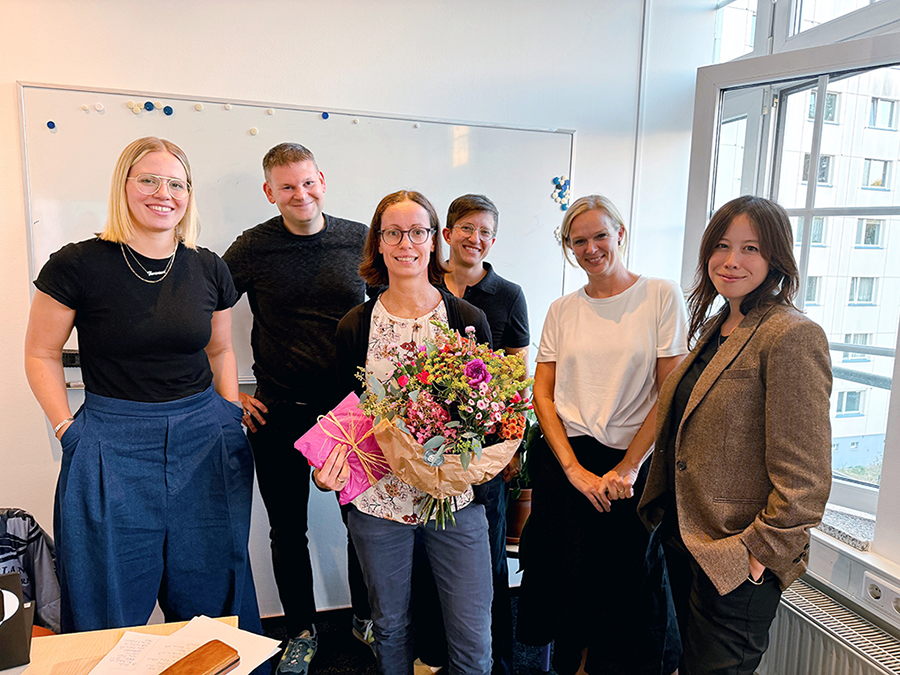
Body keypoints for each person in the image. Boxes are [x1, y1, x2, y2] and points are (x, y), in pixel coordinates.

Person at [23, 136, 263, 638]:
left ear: (188, 193)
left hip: (205, 439)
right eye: (149, 179)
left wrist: (224, 417)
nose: (164, 192)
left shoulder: (208, 266)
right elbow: (41, 353)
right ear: (124, 186)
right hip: (112, 440)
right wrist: (68, 428)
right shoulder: (77, 264)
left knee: (214, 595)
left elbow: (219, 350)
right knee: (106, 597)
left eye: (177, 183)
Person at [638, 196, 832, 674]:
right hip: (686, 541)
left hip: (736, 557)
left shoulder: (791, 335)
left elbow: (805, 478)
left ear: (776, 258)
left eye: (750, 248)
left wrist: (757, 553)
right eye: (722, 246)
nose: (731, 261)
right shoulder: (717, 326)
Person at [323, 190, 494, 675]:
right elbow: (344, 418)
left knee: (472, 636)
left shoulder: (466, 321)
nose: (406, 243)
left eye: (417, 232)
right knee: (391, 626)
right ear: (378, 243)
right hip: (379, 503)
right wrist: (326, 473)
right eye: (393, 232)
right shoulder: (356, 326)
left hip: (455, 502)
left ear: (433, 240)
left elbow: (487, 416)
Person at [515, 195, 686, 674]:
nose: (591, 248)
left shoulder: (659, 296)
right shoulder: (562, 310)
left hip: (631, 465)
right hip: (567, 461)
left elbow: (667, 393)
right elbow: (543, 395)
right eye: (579, 241)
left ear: (620, 234)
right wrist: (572, 469)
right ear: (569, 247)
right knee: (568, 579)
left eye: (599, 236)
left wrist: (628, 467)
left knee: (627, 586)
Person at [223, 142, 372, 670]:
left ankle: (365, 619)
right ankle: (301, 632)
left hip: (349, 412)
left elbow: (398, 308)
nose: (300, 194)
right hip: (277, 409)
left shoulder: (360, 240)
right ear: (270, 192)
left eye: (307, 182)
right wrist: (228, 393)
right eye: (287, 186)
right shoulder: (252, 248)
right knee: (287, 530)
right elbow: (201, 313)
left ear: (322, 180)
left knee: (364, 523)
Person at [414, 194, 529, 674]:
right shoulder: (418, 280)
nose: (474, 238)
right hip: (421, 452)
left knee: (486, 560)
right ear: (446, 233)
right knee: (427, 558)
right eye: (465, 228)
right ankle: (434, 653)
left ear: (493, 240)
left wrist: (510, 451)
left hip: (482, 456)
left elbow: (516, 377)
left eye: (484, 231)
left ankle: (494, 657)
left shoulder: (507, 294)